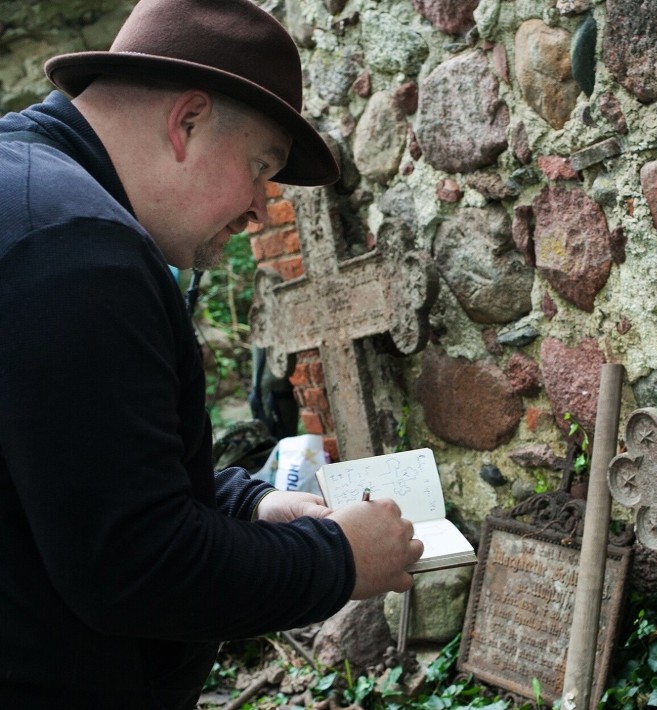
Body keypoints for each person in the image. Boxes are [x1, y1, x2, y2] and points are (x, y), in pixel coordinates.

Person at [0, 0, 424, 707]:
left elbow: (68, 472)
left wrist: (246, 505)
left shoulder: (32, 198)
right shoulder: (77, 254)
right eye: (260, 167)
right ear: (187, 122)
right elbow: (138, 569)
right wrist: (341, 559)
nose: (261, 209)